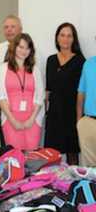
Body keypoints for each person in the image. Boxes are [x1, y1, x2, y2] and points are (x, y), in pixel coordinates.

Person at [44, 22, 85, 165]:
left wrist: (80, 118)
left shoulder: (80, 61)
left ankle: (74, 185)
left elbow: (82, 92)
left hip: (72, 114)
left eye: (69, 36)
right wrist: (45, 112)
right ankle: (53, 186)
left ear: (74, 39)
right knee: (51, 155)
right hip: (54, 113)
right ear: (57, 38)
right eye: (62, 35)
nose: (65, 39)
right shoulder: (51, 60)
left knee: (72, 155)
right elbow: (48, 90)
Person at [0, 33, 44, 151]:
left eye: (27, 48)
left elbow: (40, 96)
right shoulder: (2, 68)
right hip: (10, 119)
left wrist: (32, 119)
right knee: (14, 157)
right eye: (21, 47)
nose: (24, 51)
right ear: (14, 47)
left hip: (32, 120)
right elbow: (1, 97)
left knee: (31, 158)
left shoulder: (35, 69)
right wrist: (13, 120)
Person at [0, 15, 22, 146]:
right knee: (6, 145)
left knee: (23, 144)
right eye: (6, 27)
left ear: (21, 29)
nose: (9, 30)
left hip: (22, 106)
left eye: (13, 26)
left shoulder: (29, 49)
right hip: (3, 105)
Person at [77, 56, 96, 166]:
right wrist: (79, 121)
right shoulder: (88, 63)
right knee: (89, 169)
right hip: (88, 122)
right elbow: (81, 92)